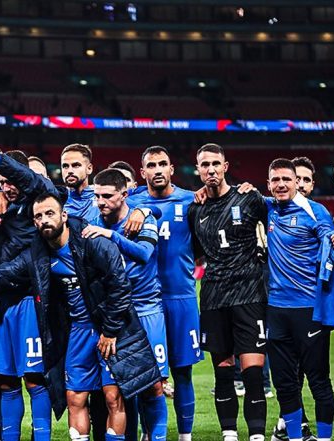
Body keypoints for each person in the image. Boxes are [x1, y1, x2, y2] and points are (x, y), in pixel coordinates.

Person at [0, 193, 161, 441]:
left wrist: (111, 331)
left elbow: (120, 287)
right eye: (38, 216)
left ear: (64, 215)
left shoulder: (92, 242)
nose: (44, 220)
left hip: (109, 330)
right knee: (74, 398)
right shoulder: (38, 253)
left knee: (113, 397)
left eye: (49, 213)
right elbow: (5, 274)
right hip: (77, 332)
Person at [0, 146, 55, 441]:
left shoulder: (39, 202)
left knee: (34, 379)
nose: (8, 187)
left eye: (12, 180)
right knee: (4, 381)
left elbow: (34, 182)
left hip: (30, 301)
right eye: (2, 182)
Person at [187, 144, 269, 441]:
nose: (210, 169)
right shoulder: (195, 208)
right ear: (197, 169)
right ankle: (229, 434)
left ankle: (257, 435)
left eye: (215, 163)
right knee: (223, 372)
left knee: (253, 372)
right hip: (213, 298)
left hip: (249, 295)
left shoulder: (250, 199)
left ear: (226, 166)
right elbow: (194, 253)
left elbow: (279, 216)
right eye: (204, 164)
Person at [266, 158, 334, 441]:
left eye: (287, 179)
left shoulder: (315, 210)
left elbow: (327, 232)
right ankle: (295, 437)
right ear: (269, 184)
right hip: (276, 310)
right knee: (285, 383)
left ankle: (324, 439)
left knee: (318, 380)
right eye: (276, 180)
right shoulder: (268, 207)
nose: (282, 185)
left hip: (308, 309)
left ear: (296, 182)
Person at [127, 146, 203, 441]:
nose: (157, 170)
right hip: (142, 302)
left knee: (182, 372)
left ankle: (185, 437)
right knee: (144, 375)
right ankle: (147, 433)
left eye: (163, 164)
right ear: (142, 172)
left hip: (180, 297)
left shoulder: (191, 200)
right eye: (151, 165)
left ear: (171, 169)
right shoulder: (130, 201)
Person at [85, 169, 167, 440]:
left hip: (146, 310)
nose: (100, 201)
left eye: (107, 196)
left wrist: (112, 236)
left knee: (154, 387)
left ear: (124, 194)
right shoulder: (94, 220)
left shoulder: (139, 220)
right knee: (119, 390)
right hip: (114, 315)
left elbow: (144, 254)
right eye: (97, 195)